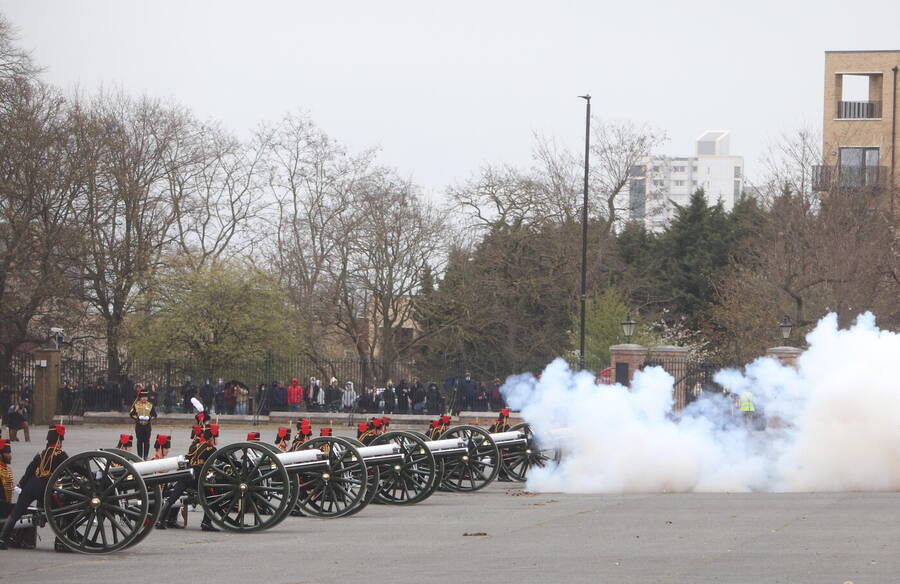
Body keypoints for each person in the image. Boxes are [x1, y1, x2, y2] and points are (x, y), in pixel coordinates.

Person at [0, 425, 68, 549]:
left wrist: (21, 484)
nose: (61, 443)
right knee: (61, 510)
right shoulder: (61, 454)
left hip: (32, 485)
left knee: (15, 514)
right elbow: (72, 468)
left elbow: (29, 470)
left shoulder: (40, 454)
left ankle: (2, 540)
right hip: (46, 488)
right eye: (61, 440)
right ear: (58, 439)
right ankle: (60, 543)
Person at [156, 424, 220, 531]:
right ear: (212, 437)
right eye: (216, 437)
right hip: (198, 477)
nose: (217, 439)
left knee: (173, 498)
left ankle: (160, 521)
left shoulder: (197, 446)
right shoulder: (211, 449)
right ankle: (206, 522)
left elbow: (188, 457)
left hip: (187, 474)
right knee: (213, 497)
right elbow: (220, 461)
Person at [130, 390, 157, 459]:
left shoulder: (150, 405)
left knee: (146, 441)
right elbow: (131, 414)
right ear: (140, 398)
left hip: (147, 426)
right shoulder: (136, 405)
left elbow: (154, 415)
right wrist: (138, 418)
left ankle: (145, 456)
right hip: (139, 426)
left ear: (147, 398)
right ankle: (139, 456)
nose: (144, 398)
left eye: (145, 397)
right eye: (142, 397)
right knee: (139, 441)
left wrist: (150, 418)